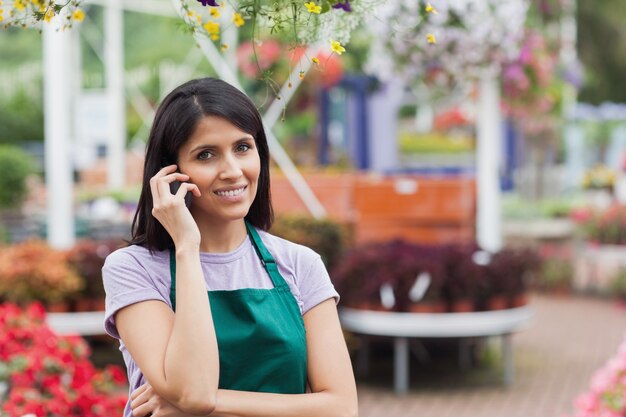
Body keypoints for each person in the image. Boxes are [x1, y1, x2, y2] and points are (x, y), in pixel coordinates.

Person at [102, 77, 358, 417]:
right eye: (206, 155)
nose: (233, 171)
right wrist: (187, 246)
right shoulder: (133, 269)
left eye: (243, 147)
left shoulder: (299, 264)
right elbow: (193, 390)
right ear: (170, 172)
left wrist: (205, 402)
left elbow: (340, 408)